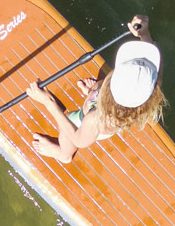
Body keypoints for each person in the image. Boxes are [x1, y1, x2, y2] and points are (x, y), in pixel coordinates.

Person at [24, 15, 165, 163]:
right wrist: (144, 34)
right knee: (98, 85)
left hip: (82, 123)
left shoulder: (94, 120)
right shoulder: (152, 83)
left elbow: (79, 140)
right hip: (104, 107)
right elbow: (153, 55)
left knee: (68, 127)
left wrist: (48, 102)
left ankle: (63, 154)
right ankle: (92, 95)